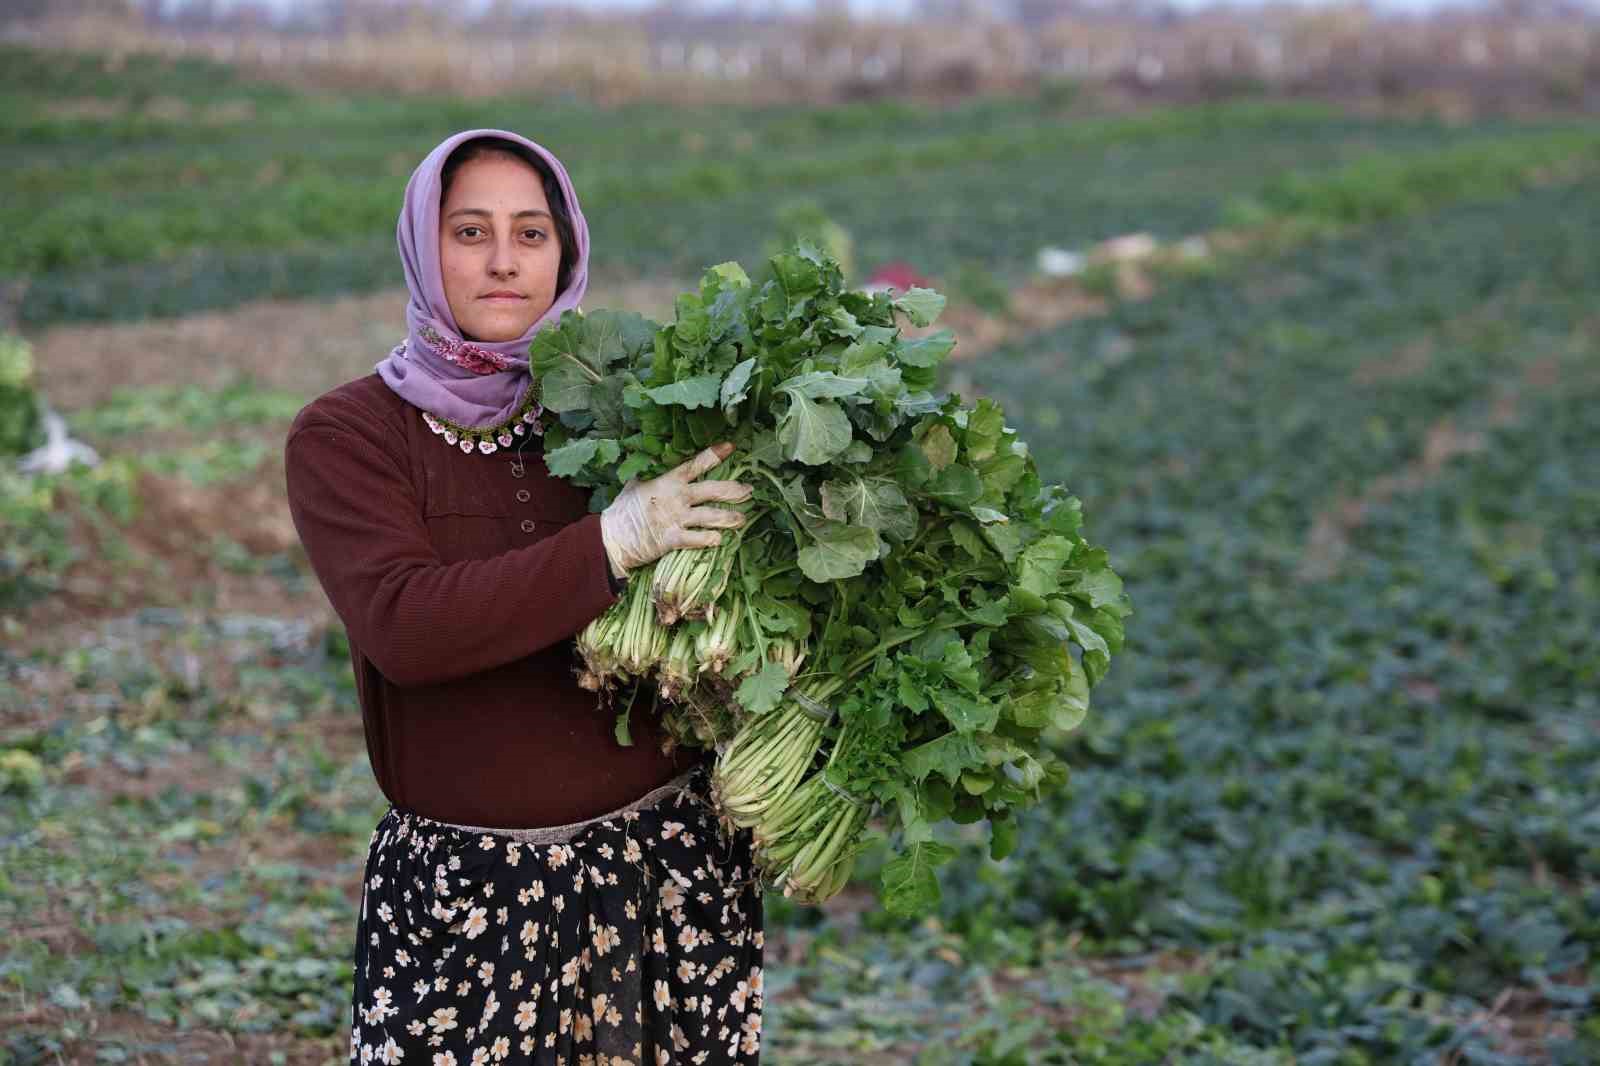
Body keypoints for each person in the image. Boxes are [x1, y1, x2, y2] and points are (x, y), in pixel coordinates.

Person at [284, 129, 766, 1065]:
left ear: (567, 251)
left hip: (665, 879)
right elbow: (406, 627)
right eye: (469, 232)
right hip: (468, 901)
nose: (504, 261)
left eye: (531, 233)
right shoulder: (348, 436)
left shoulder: (636, 410)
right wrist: (613, 541)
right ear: (425, 247)